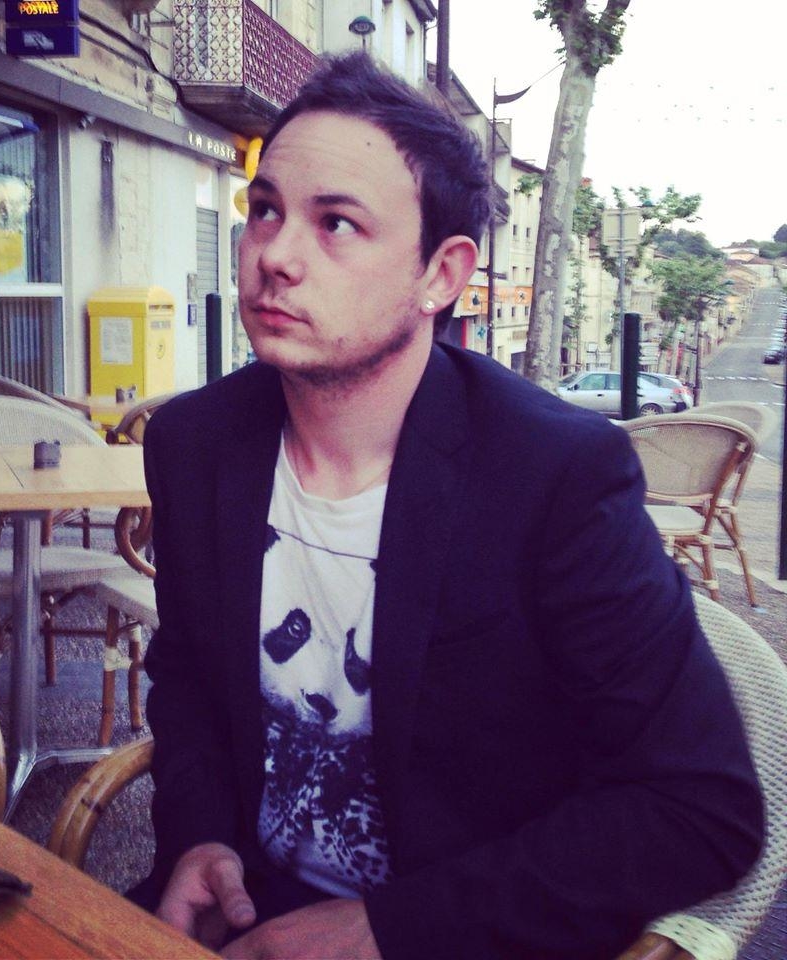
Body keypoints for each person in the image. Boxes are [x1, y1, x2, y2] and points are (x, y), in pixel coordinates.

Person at [131, 52, 762, 960]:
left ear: (441, 275)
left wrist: (385, 929)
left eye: (336, 224)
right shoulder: (194, 445)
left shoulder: (553, 477)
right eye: (263, 210)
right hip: (243, 913)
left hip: (460, 930)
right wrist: (200, 839)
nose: (274, 255)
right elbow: (189, 678)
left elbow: (700, 807)